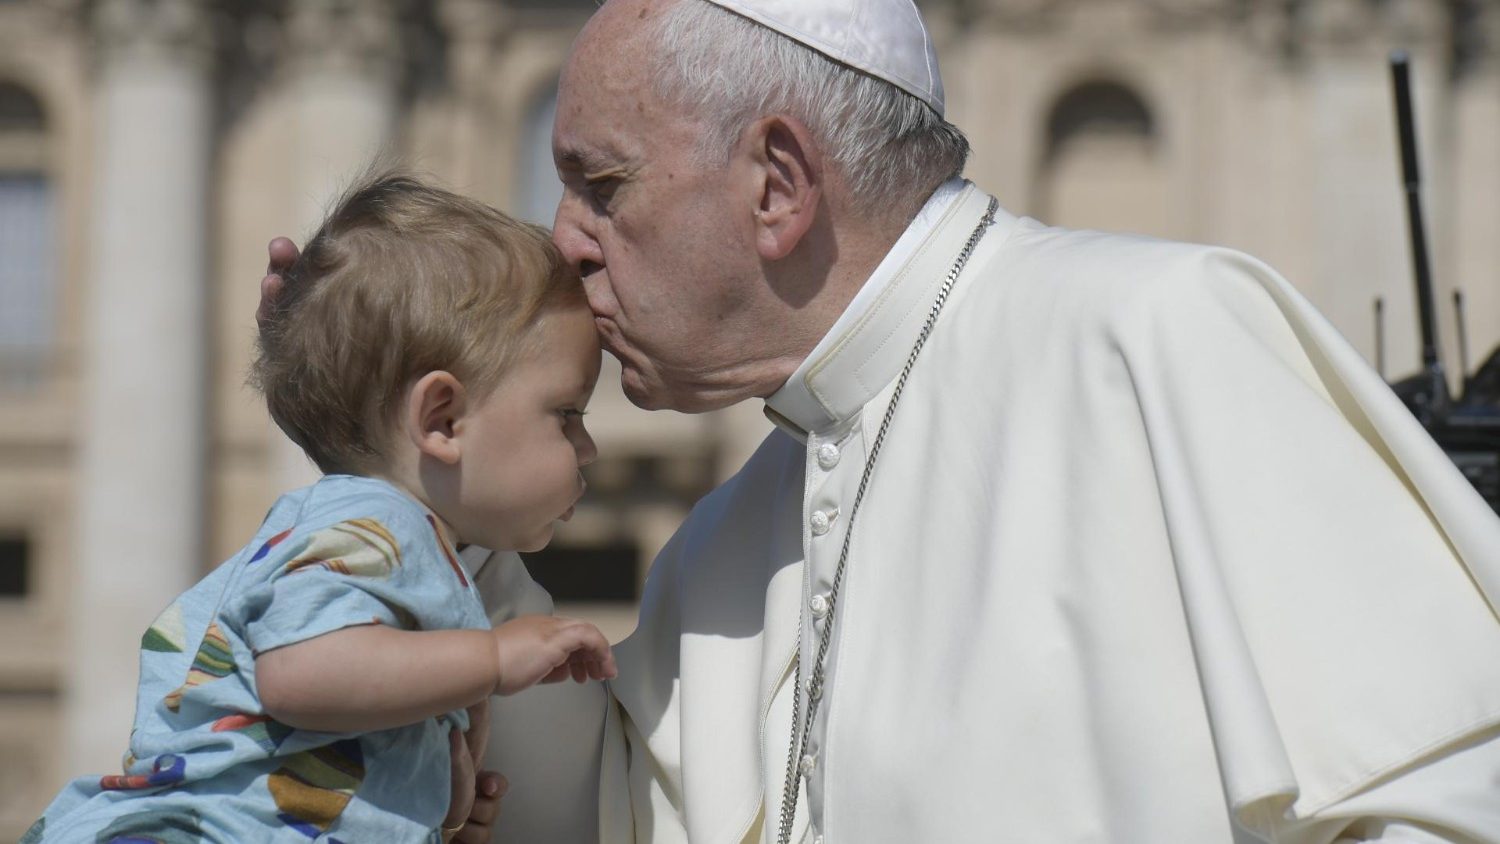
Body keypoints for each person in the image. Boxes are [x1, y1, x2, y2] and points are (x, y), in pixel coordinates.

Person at [265, 2, 1500, 842]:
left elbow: (1445, 799)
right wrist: (390, 457)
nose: (562, 243)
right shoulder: (725, 543)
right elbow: (555, 818)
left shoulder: (1157, 338)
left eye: (602, 183)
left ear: (779, 185)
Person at [29, 173, 617, 844]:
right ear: (443, 419)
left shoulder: (409, 548)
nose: (588, 448)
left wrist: (441, 808)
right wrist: (491, 659)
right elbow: (300, 672)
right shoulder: (370, 527)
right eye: (567, 414)